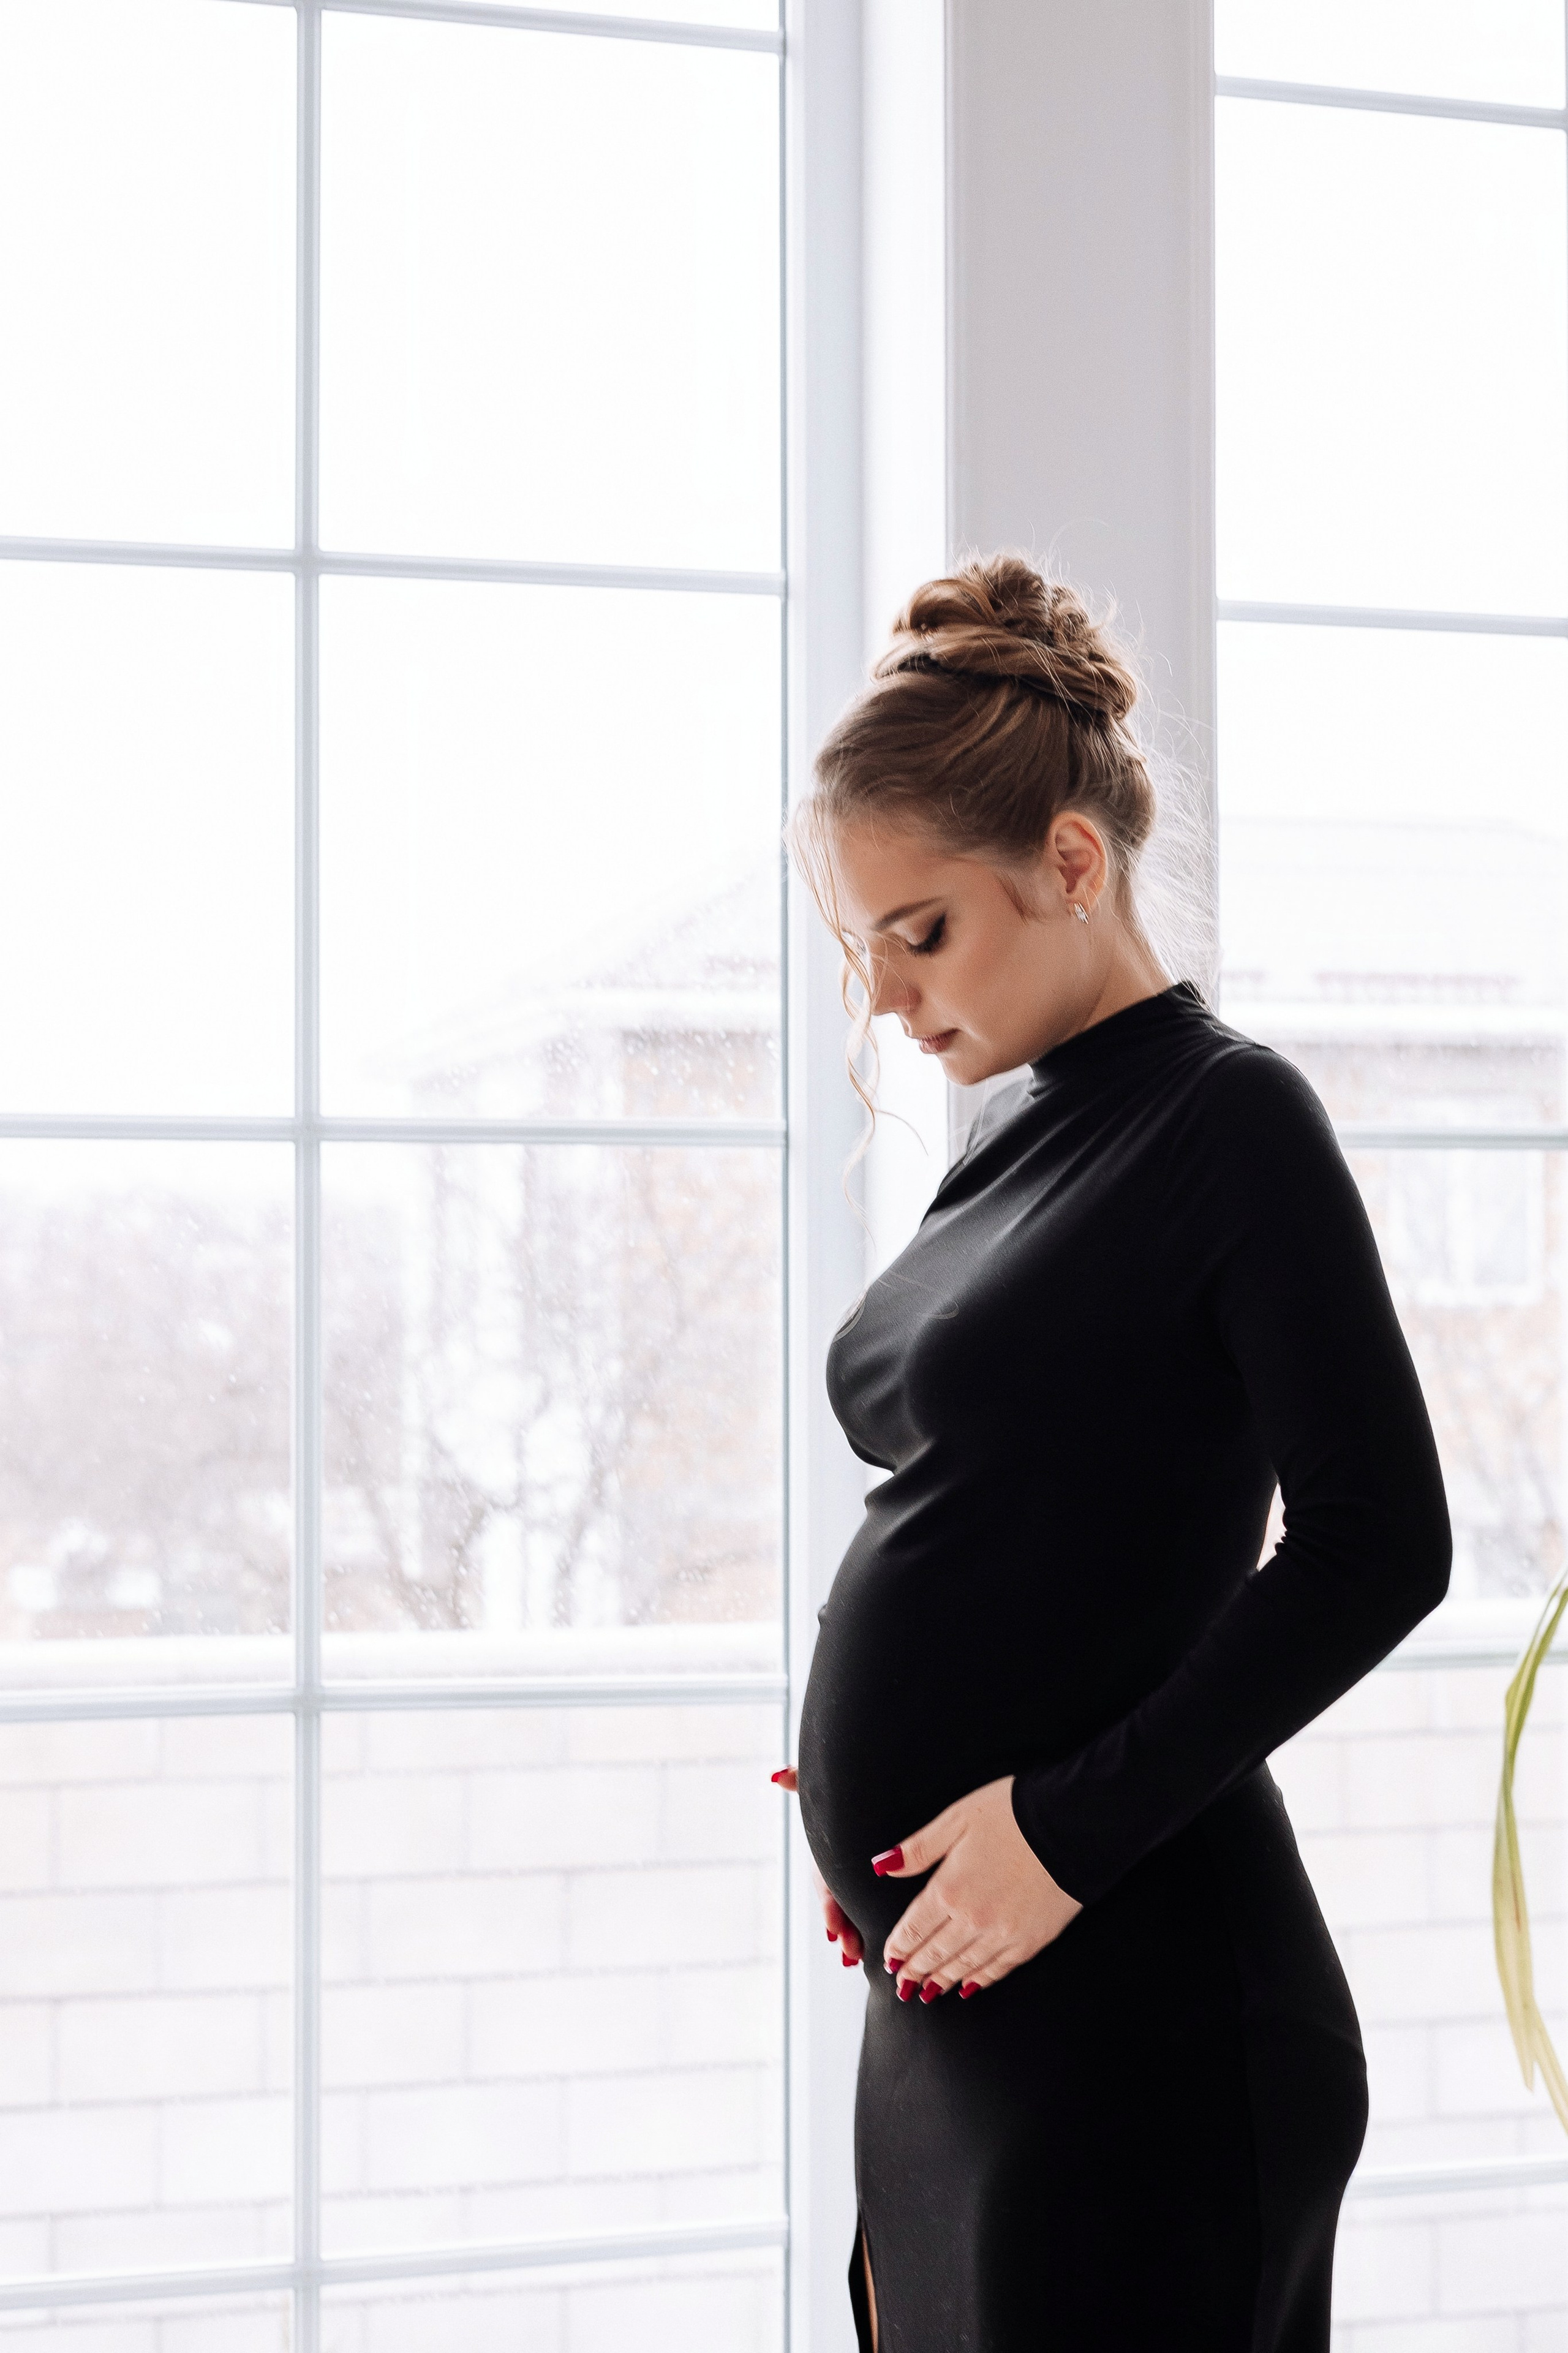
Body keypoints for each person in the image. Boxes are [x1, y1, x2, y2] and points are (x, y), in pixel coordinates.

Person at [770, 553, 1450, 2353]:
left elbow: (1383, 1543)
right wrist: (883, 1772)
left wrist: (1057, 1828)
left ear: (1073, 862)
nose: (893, 1005)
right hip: (963, 2011)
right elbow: (1045, 1506)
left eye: (923, 933)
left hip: (1144, 2005)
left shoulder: (1231, 1117)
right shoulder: (1012, 1134)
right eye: (862, 953)